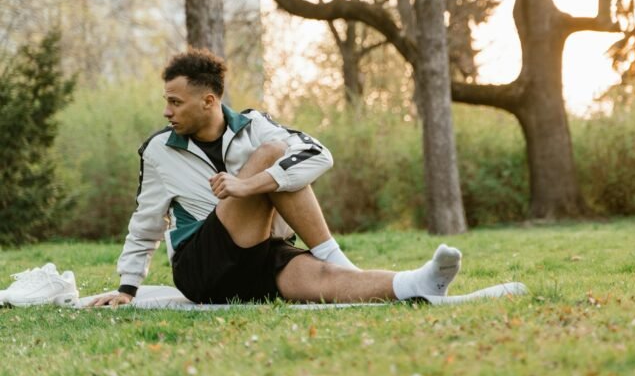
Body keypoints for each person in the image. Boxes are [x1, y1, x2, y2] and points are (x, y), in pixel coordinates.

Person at [91, 49, 462, 308]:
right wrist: (127, 287)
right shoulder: (159, 150)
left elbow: (319, 154)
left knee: (325, 281)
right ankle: (341, 261)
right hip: (203, 268)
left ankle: (418, 283)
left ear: (208, 101)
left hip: (262, 253)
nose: (166, 110)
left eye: (175, 101)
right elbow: (146, 222)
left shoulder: (255, 125)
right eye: (167, 100)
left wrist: (246, 185)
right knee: (272, 154)